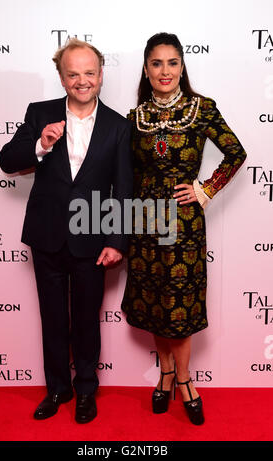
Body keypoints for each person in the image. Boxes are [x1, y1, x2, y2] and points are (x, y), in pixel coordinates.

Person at [0, 38, 133, 423]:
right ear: (61, 77)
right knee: (53, 317)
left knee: (87, 320)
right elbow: (7, 161)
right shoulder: (39, 114)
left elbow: (123, 189)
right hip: (47, 235)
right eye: (73, 74)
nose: (82, 80)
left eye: (89, 72)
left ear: (101, 75)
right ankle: (58, 388)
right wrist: (40, 145)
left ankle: (87, 389)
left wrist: (116, 241)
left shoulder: (119, 127)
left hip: (93, 240)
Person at [121, 32, 246, 425]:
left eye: (172, 63)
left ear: (181, 67)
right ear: (146, 68)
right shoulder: (134, 116)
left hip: (184, 223)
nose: (165, 71)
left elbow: (236, 153)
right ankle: (166, 374)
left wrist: (205, 189)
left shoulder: (202, 108)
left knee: (181, 305)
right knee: (157, 302)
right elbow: (127, 172)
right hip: (145, 221)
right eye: (157, 63)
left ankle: (187, 381)